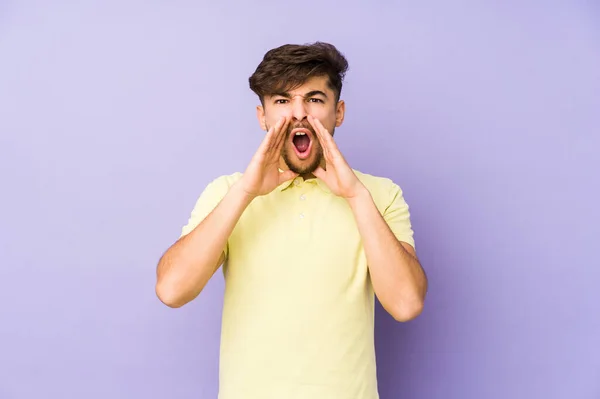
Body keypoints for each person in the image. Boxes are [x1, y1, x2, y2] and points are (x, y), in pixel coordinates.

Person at [155, 41, 428, 399]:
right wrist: (245, 193)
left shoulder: (379, 194)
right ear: (262, 116)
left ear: (338, 112)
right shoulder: (227, 192)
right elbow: (172, 290)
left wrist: (356, 196)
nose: (299, 114)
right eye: (282, 101)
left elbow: (406, 304)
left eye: (314, 99)